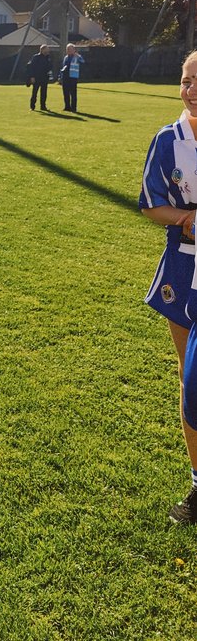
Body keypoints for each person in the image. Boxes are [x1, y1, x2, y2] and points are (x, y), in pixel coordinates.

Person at [139, 49, 197, 524]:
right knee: (190, 380)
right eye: (185, 80)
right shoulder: (167, 139)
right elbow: (149, 204)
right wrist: (185, 220)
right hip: (183, 274)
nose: (190, 88)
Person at [26, 45, 52, 111]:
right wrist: (32, 77)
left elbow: (49, 67)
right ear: (42, 50)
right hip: (37, 77)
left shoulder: (48, 57)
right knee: (35, 92)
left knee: (44, 93)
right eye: (46, 50)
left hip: (44, 78)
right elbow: (31, 67)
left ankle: (43, 106)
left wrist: (50, 75)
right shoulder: (36, 57)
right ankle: (32, 106)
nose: (47, 51)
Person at [60, 43, 85, 112]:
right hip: (65, 77)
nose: (68, 50)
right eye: (67, 49)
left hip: (73, 77)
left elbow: (83, 62)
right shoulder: (66, 57)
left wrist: (78, 57)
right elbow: (63, 67)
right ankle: (67, 107)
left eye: (70, 49)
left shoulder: (77, 57)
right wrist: (60, 77)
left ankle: (73, 108)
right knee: (65, 93)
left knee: (73, 94)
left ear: (74, 50)